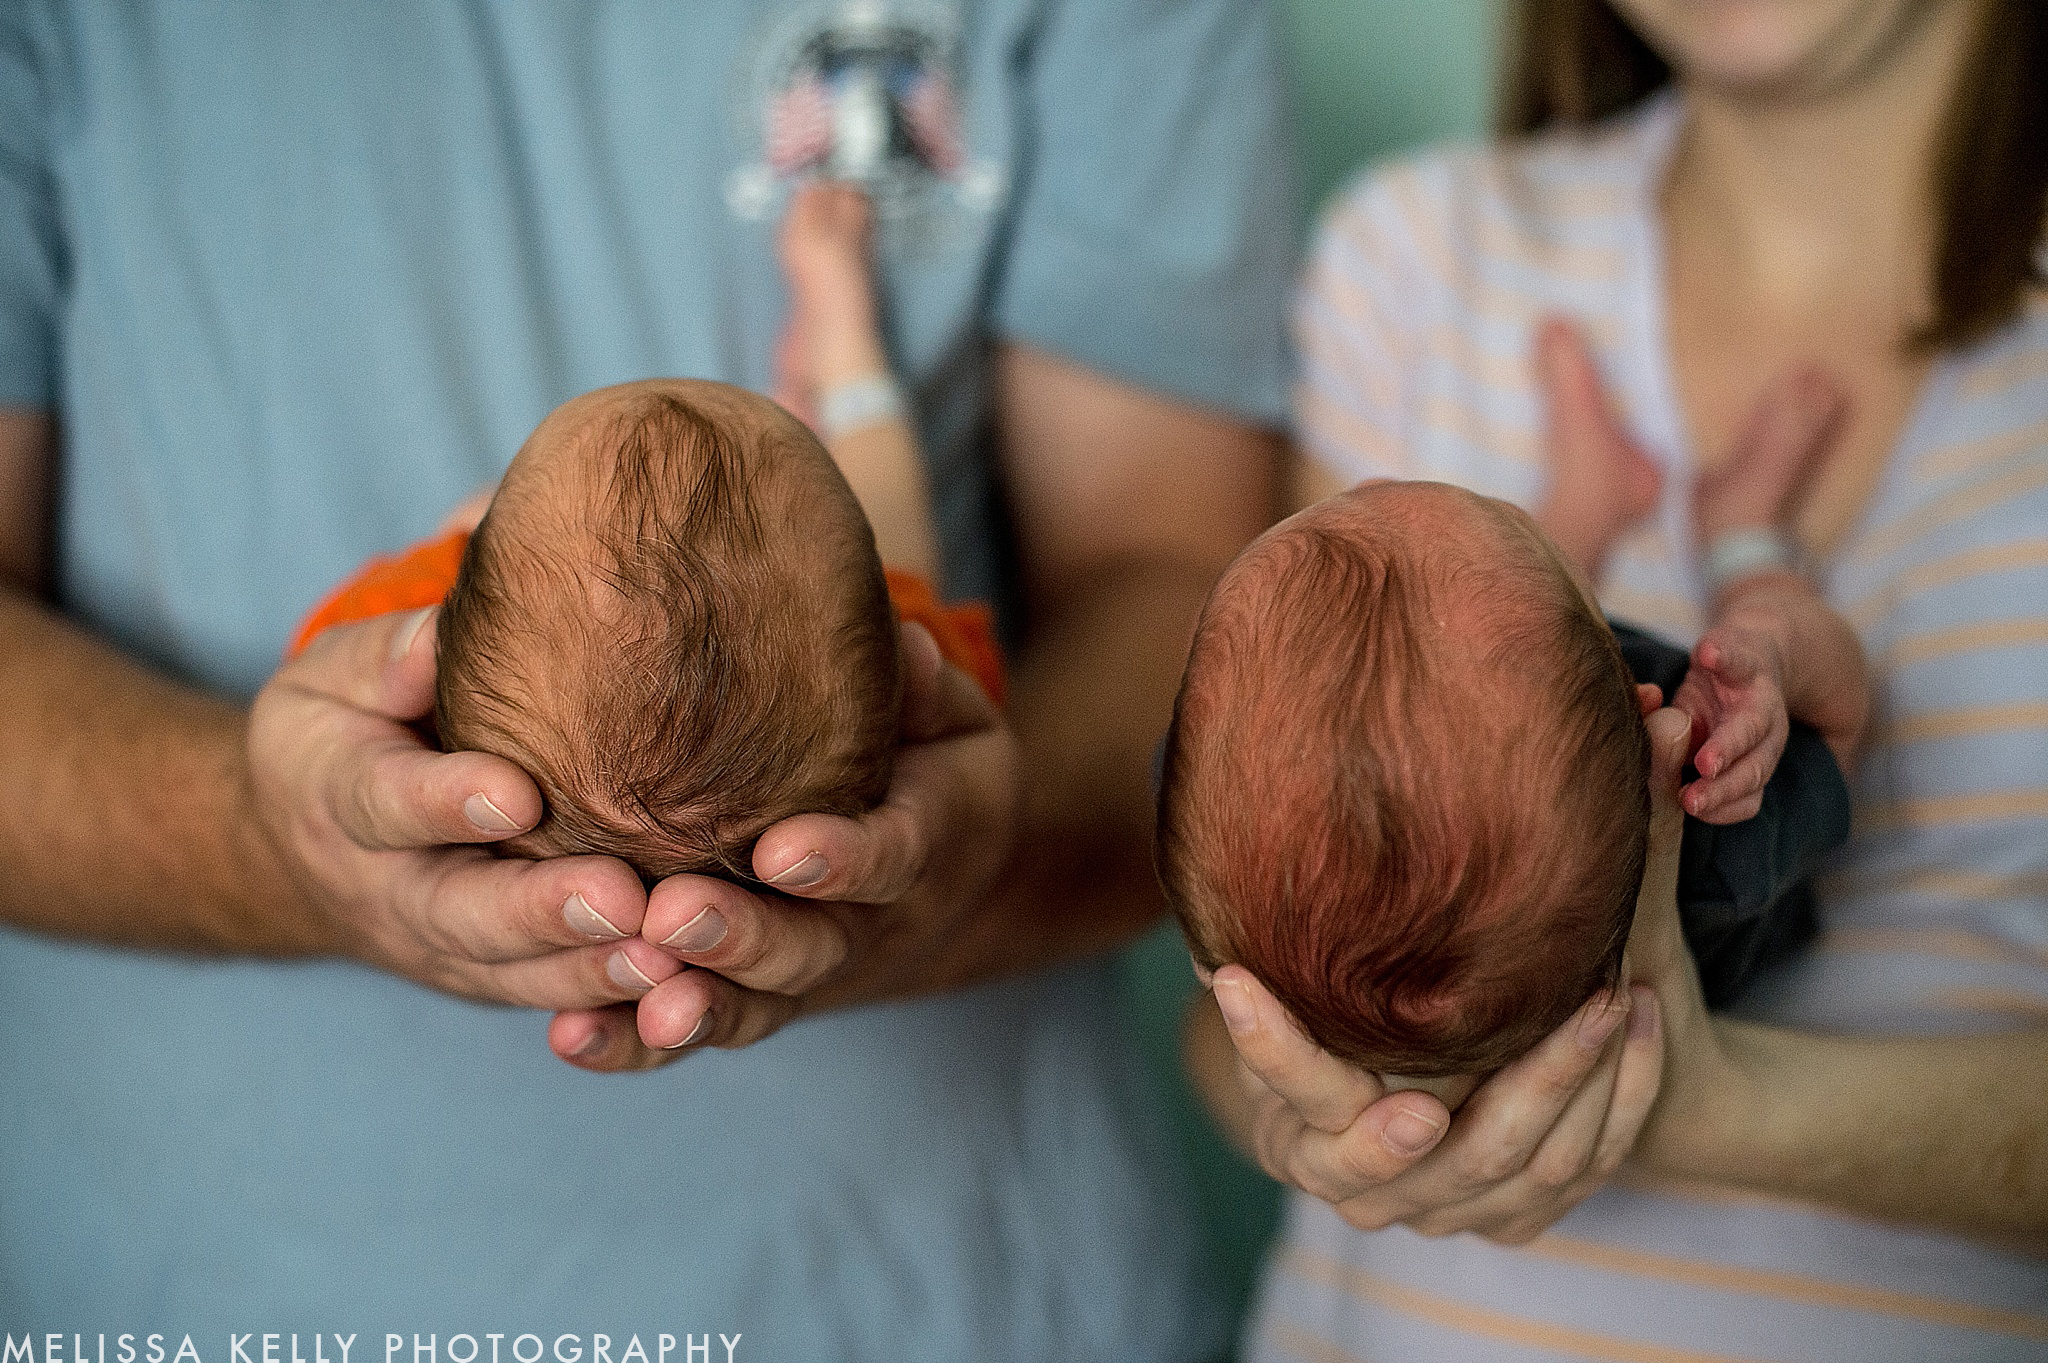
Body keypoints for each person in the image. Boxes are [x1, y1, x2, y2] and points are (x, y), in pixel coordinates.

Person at [0, 1, 1293, 1354]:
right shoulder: (918, 655)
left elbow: (1165, 582)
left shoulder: (411, 625)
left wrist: (365, 693)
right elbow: (908, 536)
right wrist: (847, 355)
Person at [1201, 0, 2048, 1356]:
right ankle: (1731, 542)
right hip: (1632, 827)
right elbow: (1240, 991)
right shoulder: (1417, 260)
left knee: (1529, 665)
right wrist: (1330, 1109)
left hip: (1608, 792)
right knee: (1737, 684)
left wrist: (1700, 1104)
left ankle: (1617, 527)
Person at [1162, 474, 1862, 1093]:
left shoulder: (1218, 797)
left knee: (1506, 663)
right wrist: (1769, 639)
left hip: (1529, 798)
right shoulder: (1719, 842)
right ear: (1642, 707)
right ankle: (1742, 539)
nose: (1370, 477)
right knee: (1533, 661)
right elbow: (1842, 722)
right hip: (1702, 927)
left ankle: (1583, 507)